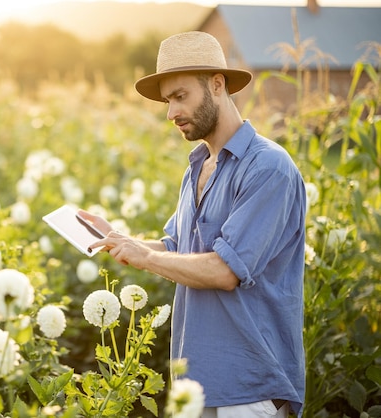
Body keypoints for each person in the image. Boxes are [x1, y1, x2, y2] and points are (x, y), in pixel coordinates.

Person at [79, 31, 306, 417]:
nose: (171, 113)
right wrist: (120, 240)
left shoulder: (268, 167)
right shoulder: (198, 166)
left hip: (248, 387)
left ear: (217, 85)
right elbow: (177, 249)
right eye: (168, 101)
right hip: (196, 383)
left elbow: (224, 271)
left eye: (180, 97)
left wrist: (142, 257)